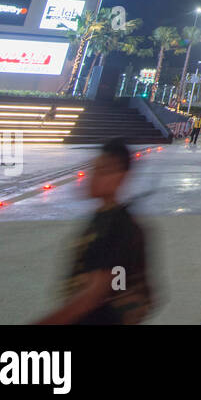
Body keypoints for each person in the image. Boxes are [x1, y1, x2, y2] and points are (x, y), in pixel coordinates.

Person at [37, 139, 152, 324]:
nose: (93, 177)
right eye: (94, 169)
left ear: (121, 177)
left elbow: (94, 294)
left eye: (102, 171)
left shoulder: (115, 226)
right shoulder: (106, 217)